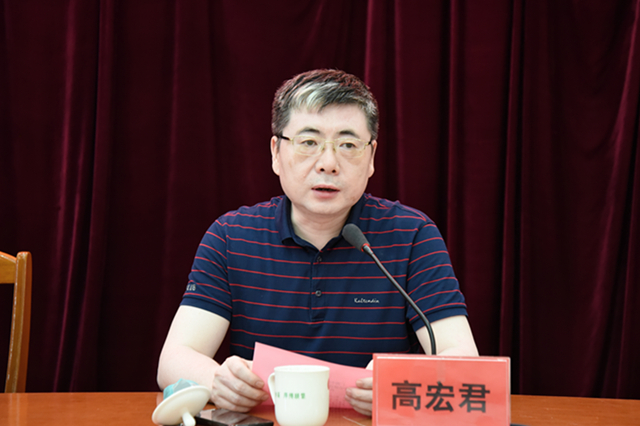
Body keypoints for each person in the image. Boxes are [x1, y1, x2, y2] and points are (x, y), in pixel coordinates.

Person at [157, 69, 478, 416]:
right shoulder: (230, 237)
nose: (328, 164)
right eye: (309, 142)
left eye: (348, 145)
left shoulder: (412, 235)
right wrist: (219, 381)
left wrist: (403, 382)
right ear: (276, 152)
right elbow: (174, 360)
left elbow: (464, 361)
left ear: (371, 157)